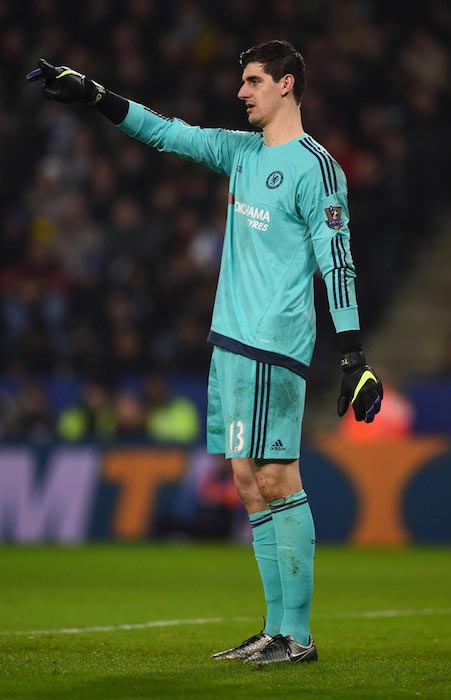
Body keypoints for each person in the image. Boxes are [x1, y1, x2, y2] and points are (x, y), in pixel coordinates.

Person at [27, 40, 383, 665]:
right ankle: (275, 630)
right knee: (247, 482)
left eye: (252, 80)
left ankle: (297, 635)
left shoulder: (316, 169)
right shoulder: (243, 153)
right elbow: (168, 133)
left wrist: (352, 352)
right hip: (230, 341)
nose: (241, 91)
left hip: (274, 343)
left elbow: (338, 260)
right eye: (241, 80)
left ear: (288, 84)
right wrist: (93, 94)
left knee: (277, 477)